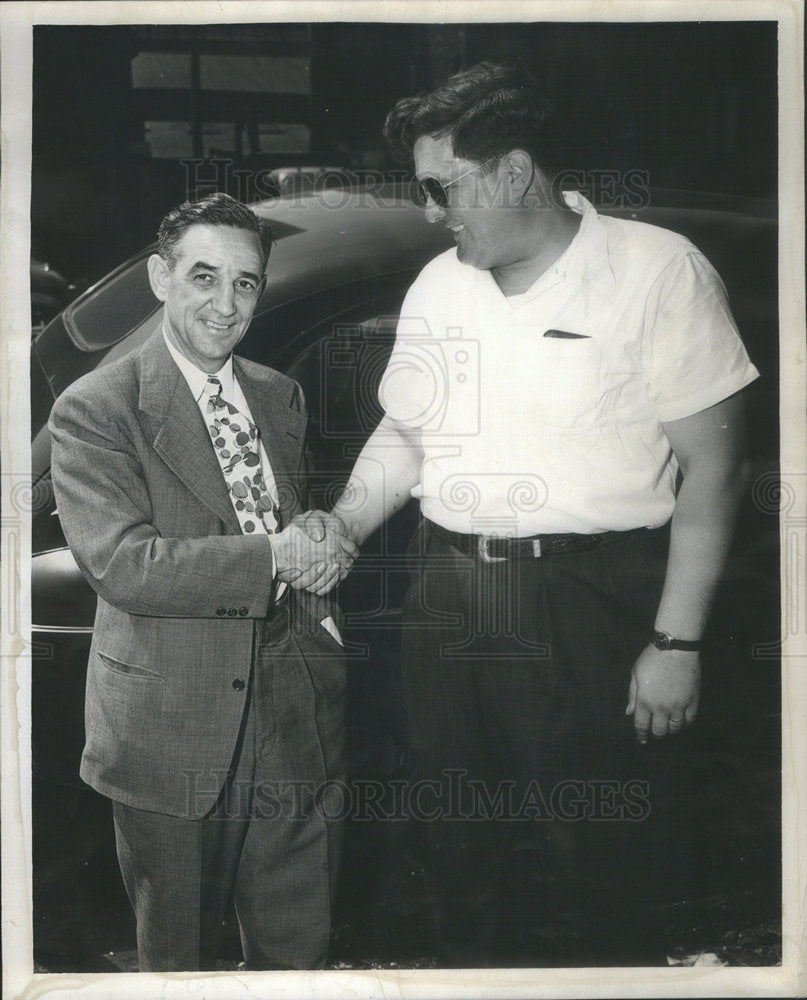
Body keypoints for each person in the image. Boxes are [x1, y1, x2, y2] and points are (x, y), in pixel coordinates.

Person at [323, 63, 760, 965]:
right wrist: (344, 523)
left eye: (441, 186)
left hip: (589, 601)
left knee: (600, 867)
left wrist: (675, 644)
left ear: (513, 172)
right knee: (453, 857)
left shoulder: (656, 271)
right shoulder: (441, 285)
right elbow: (404, 435)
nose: (430, 208)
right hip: (445, 601)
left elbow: (714, 470)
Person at [49, 192, 357, 972]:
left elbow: (278, 516)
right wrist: (279, 557)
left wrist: (319, 532)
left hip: (295, 703)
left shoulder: (277, 395)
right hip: (170, 715)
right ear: (160, 277)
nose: (226, 305)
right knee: (177, 956)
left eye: (246, 283)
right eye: (203, 277)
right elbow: (124, 564)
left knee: (298, 946)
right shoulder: (96, 409)